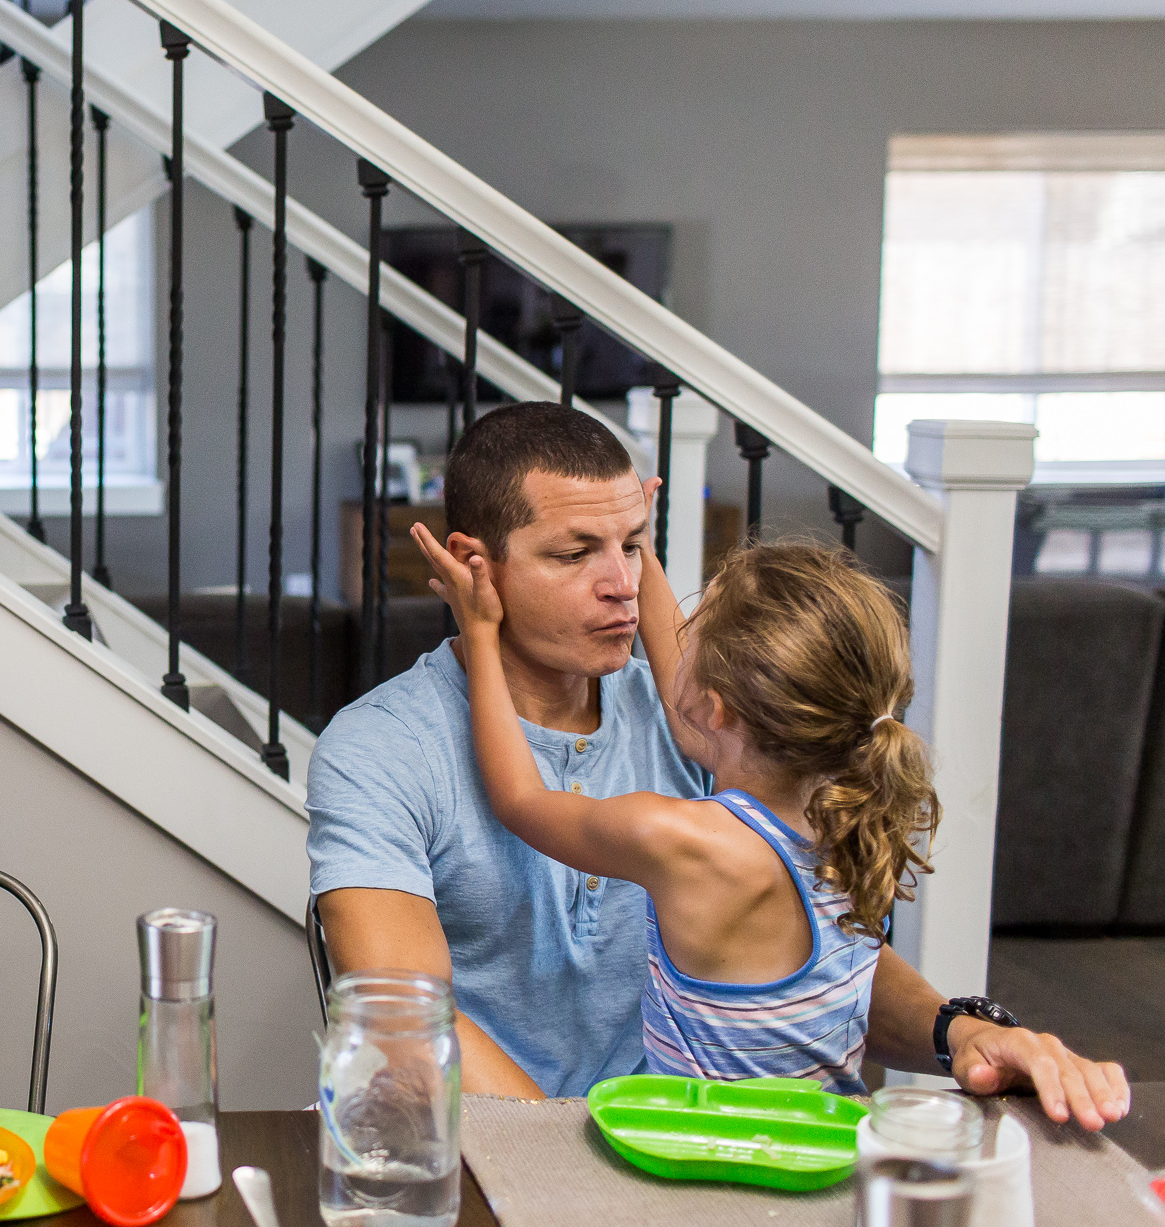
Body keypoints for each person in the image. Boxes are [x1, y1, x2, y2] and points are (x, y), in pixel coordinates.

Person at [309, 402, 1130, 1127]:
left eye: (632, 546)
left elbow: (803, 963)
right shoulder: (380, 748)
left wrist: (965, 1030)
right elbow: (403, 1022)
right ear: (475, 564)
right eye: (573, 554)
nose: (619, 585)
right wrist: (576, 1178)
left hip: (705, 1158)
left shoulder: (704, 721)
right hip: (515, 1157)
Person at [418, 510, 935, 1094]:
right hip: (830, 1151)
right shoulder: (855, 819)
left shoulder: (680, 839)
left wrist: (480, 631)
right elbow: (696, 706)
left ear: (719, 708)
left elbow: (519, 797)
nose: (671, 632)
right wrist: (635, 542)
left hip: (716, 1169)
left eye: (691, 630)